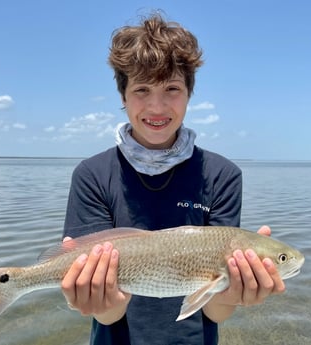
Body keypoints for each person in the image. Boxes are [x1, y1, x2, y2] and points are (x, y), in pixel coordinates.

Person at [61, 13, 285, 345]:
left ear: (189, 94)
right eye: (141, 89)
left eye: (172, 88)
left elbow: (215, 312)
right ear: (123, 97)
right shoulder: (92, 175)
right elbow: (105, 314)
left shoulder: (221, 176)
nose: (157, 105)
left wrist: (237, 293)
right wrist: (94, 298)